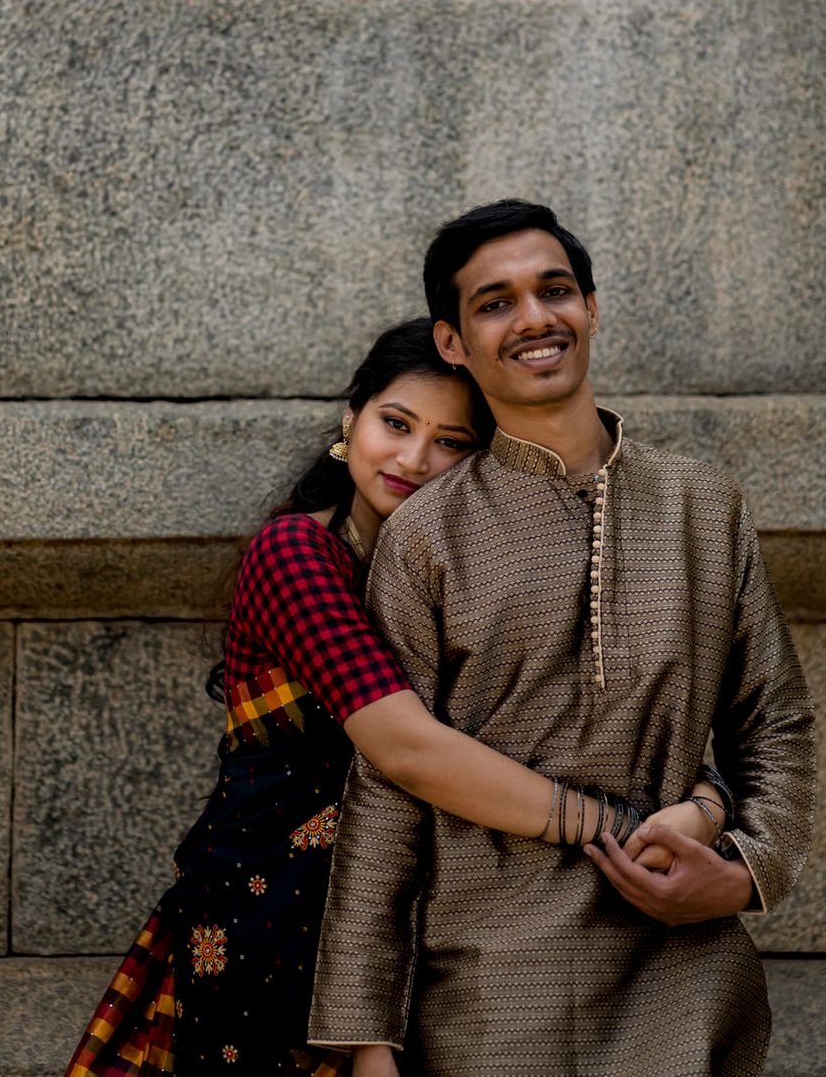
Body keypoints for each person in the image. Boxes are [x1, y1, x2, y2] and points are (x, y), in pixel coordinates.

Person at [63, 318, 679, 1077]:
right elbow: (407, 749)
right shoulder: (297, 553)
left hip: (430, 933)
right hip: (278, 927)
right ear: (351, 419)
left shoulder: (465, 580)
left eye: (451, 442)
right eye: (396, 424)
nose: (415, 460)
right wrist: (612, 828)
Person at [308, 202, 815, 1077]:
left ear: (591, 308)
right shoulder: (427, 537)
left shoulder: (703, 504)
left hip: (686, 977)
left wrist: (743, 871)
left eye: (555, 291)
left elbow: (776, 725)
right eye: (495, 302)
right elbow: (388, 793)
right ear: (454, 342)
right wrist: (367, 1042)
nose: (535, 318)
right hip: (485, 996)